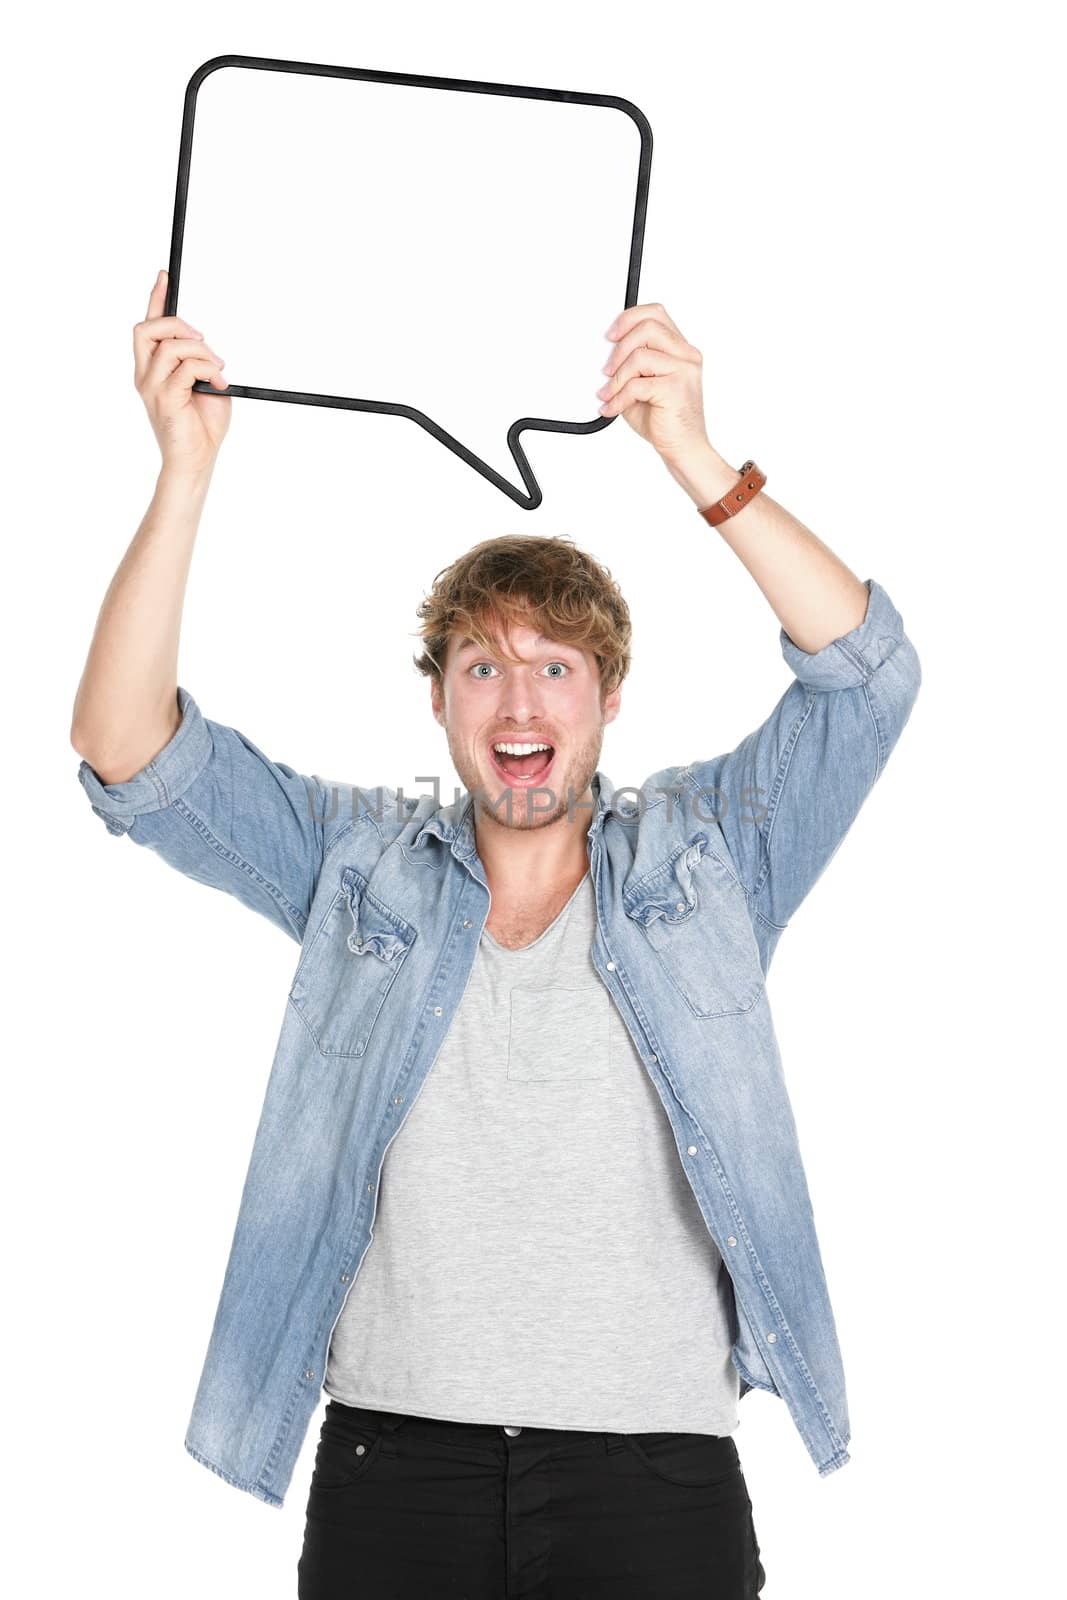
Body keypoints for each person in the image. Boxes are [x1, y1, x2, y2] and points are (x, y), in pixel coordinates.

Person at [71, 270, 921, 1599]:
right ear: (441, 704)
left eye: (555, 666)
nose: (518, 696)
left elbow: (869, 680)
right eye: (482, 665)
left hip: (656, 1481)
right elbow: (129, 755)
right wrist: (184, 472)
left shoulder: (711, 865)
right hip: (395, 1474)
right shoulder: (356, 869)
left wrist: (691, 450)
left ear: (609, 700)